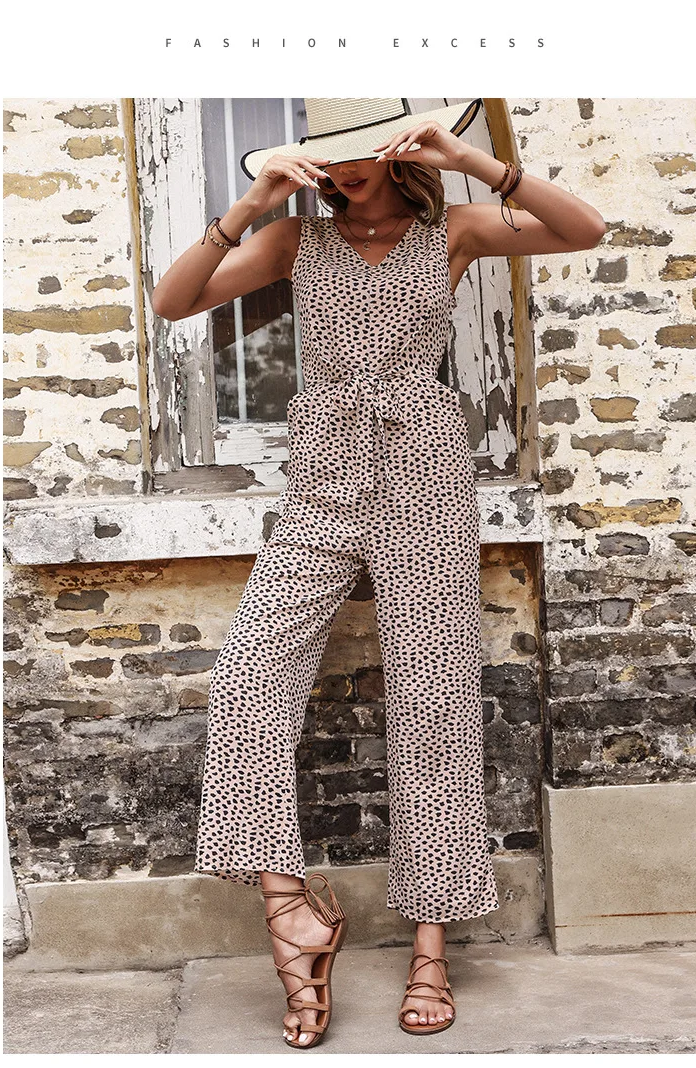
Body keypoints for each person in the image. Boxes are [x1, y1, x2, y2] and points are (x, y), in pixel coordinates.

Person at [151, 98, 606, 1049]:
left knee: (434, 702)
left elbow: (584, 230)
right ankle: (292, 915)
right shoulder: (294, 240)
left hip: (423, 469)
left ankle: (430, 949)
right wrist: (253, 201)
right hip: (323, 473)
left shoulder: (455, 229)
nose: (348, 168)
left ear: (403, 149)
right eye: (331, 155)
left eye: (365, 150)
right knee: (249, 680)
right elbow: (175, 301)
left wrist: (471, 160)